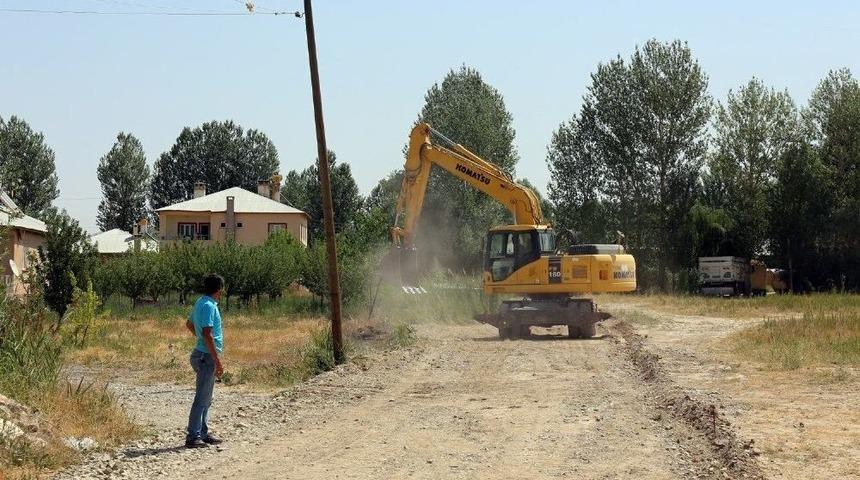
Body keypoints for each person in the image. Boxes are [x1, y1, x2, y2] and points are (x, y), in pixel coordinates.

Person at [184, 274, 225, 448]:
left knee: (206, 397)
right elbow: (208, 332)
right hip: (206, 356)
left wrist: (199, 338)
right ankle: (193, 436)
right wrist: (217, 359)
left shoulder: (200, 302)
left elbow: (189, 323)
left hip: (200, 353)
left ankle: (203, 432)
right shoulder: (209, 306)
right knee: (202, 398)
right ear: (219, 290)